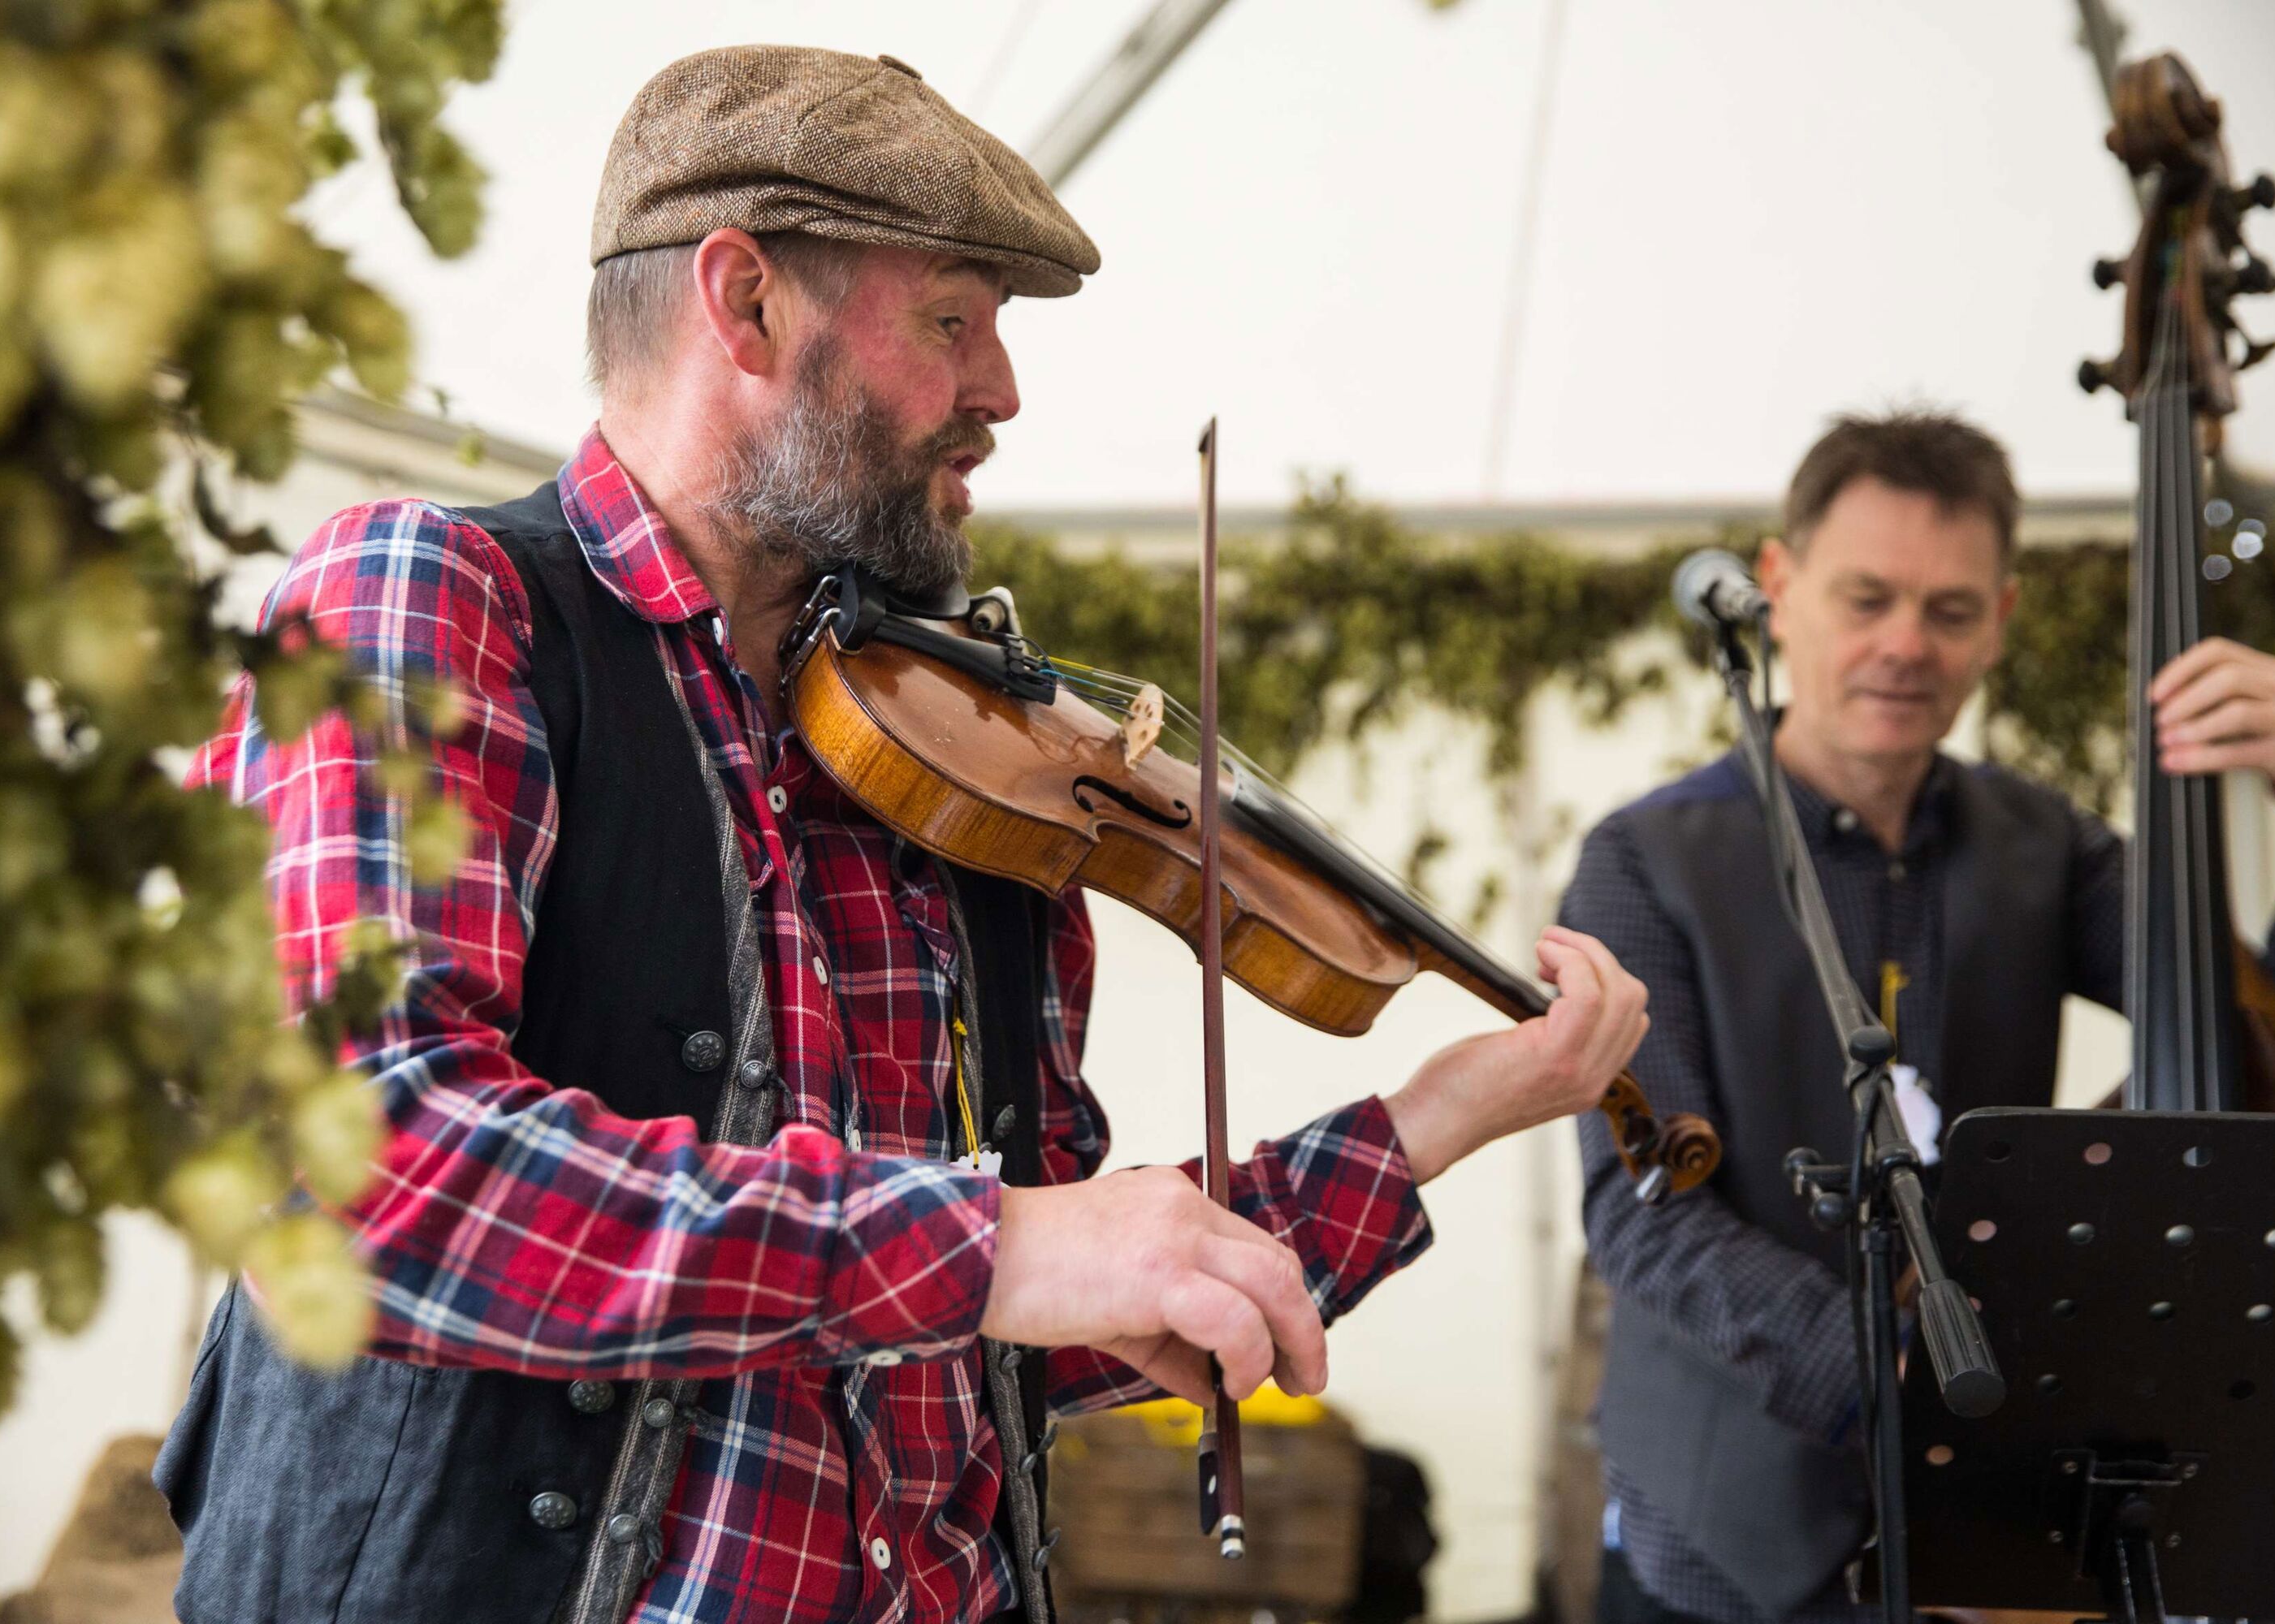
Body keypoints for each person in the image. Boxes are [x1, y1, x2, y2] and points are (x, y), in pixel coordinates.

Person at [154, 45, 1654, 1624]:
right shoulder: (430, 599)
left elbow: (1017, 1315)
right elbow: (362, 1175)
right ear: (744, 304)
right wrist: (1001, 1249)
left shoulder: (954, 758)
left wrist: (1438, 1115)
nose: (1002, 392)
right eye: (951, 320)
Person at [1561, 408, 2275, 1624]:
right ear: (1778, 586)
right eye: (1867, 597)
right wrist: (1903, 1372)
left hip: (1986, 1540)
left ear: (2002, 622)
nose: (1904, 645)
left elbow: (2270, 1046)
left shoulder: (2052, 846)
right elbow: (1645, 1212)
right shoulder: (1642, 864)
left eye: (1950, 610)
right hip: (1723, 1537)